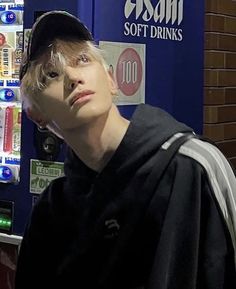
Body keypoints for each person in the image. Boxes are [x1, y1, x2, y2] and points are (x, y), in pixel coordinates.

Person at [15, 10, 236, 289]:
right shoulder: (51, 211)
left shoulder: (193, 166)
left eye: (82, 60)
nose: (72, 77)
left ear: (111, 80)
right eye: (51, 75)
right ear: (37, 116)